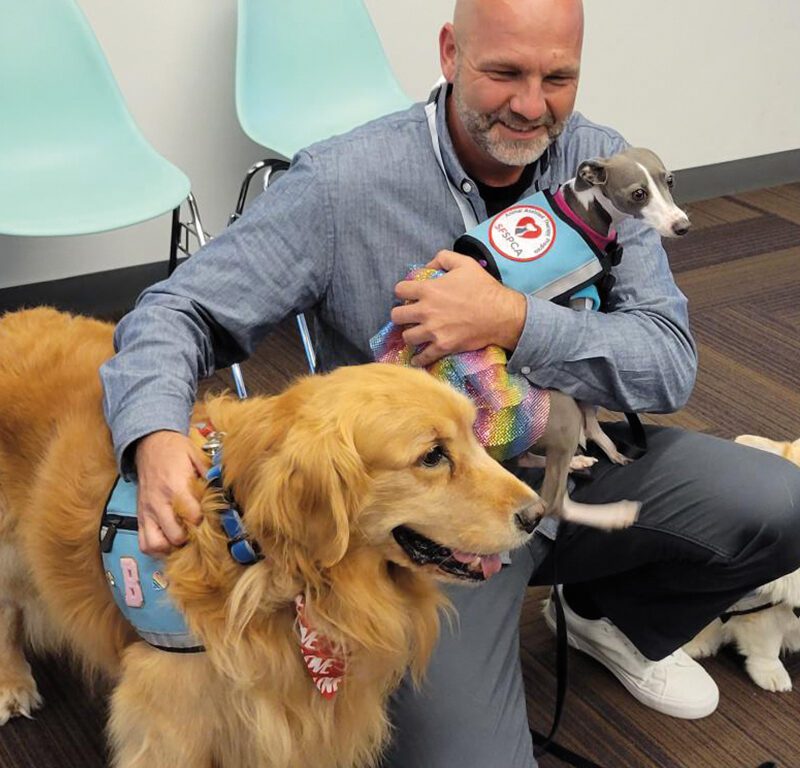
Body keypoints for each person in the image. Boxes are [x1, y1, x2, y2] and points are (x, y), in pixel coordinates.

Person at [100, 0, 800, 765]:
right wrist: (154, 434)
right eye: (504, 72)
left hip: (570, 467)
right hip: (418, 521)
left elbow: (669, 364)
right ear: (449, 54)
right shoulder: (343, 183)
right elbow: (177, 311)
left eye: (557, 78)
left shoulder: (604, 167)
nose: (531, 105)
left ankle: (612, 622)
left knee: (781, 502)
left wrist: (515, 320)